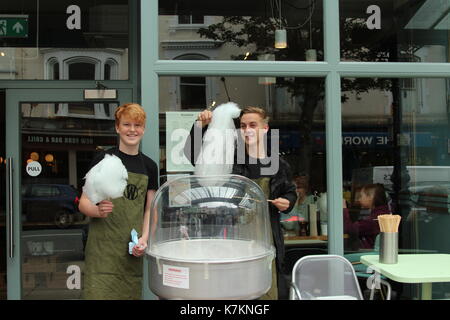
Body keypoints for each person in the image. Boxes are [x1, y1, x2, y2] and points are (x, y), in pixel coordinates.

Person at [184, 106, 297, 300]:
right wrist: (199, 126)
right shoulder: (229, 159)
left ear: (265, 128)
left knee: (265, 292)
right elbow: (193, 155)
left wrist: (287, 202)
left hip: (267, 239)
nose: (247, 130)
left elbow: (290, 192)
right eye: (243, 126)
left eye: (253, 125)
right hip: (232, 239)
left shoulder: (278, 164)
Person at [78, 103, 158, 300]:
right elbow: (83, 202)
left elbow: (150, 210)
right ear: (117, 127)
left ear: (144, 129)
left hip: (130, 252)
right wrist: (97, 212)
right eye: (127, 124)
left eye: (137, 125)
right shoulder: (103, 160)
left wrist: (144, 239)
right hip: (102, 252)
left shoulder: (149, 166)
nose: (132, 130)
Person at [343, 183, 391, 250]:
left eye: (361, 196)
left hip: (369, 254)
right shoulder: (382, 213)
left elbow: (349, 229)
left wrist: (344, 209)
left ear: (371, 197)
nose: (359, 199)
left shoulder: (376, 218)